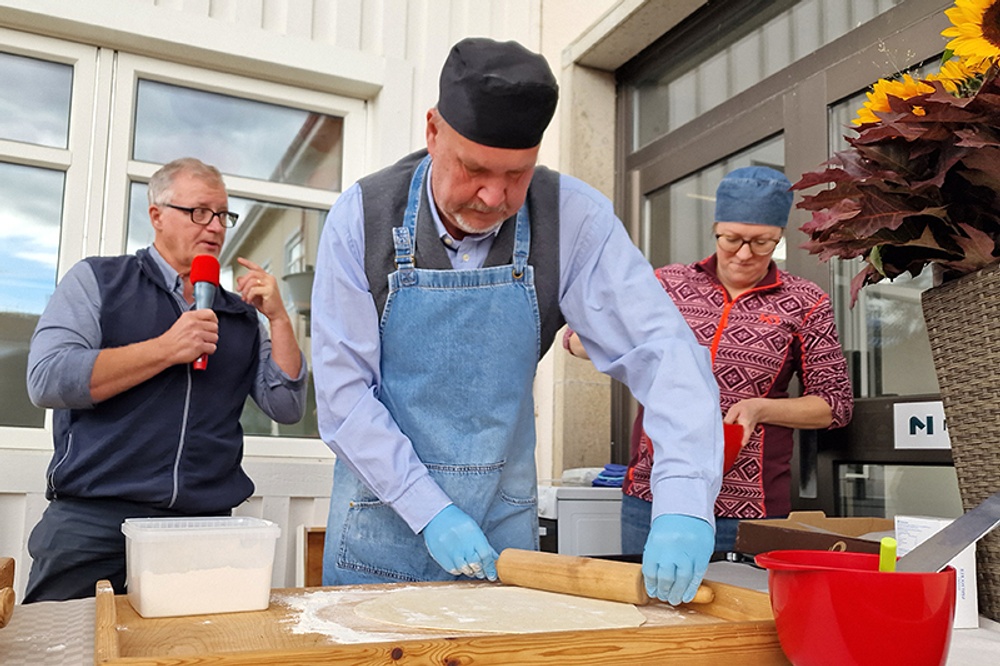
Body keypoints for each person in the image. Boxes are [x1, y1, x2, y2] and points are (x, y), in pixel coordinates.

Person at [312, 37, 723, 606]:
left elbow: (665, 354)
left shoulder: (572, 218)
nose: (493, 195)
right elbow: (343, 397)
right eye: (474, 168)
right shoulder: (361, 217)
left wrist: (683, 500)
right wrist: (432, 513)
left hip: (505, 543)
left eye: (517, 174)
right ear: (432, 132)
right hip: (382, 529)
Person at [23, 157, 307, 602]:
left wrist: (279, 318)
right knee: (64, 648)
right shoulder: (99, 281)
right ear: (156, 215)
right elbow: (47, 379)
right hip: (94, 522)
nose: (214, 227)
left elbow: (286, 407)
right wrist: (165, 349)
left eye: (222, 215)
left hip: (204, 526)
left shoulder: (241, 315)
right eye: (198, 212)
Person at [565, 166, 854, 555]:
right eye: (731, 239)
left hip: (750, 508)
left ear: (779, 237)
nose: (744, 254)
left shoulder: (806, 301)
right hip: (653, 498)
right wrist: (595, 340)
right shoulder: (667, 284)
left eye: (763, 243)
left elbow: (833, 406)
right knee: (652, 611)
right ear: (715, 228)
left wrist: (758, 409)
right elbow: (578, 337)